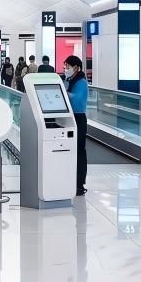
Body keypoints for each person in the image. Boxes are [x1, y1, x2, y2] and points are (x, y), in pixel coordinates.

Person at [64, 55, 89, 196]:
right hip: (68, 118)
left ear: (76, 67)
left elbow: (78, 101)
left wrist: (65, 94)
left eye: (68, 67)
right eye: (65, 66)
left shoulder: (81, 82)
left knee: (79, 150)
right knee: (70, 150)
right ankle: (69, 180)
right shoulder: (69, 80)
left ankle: (79, 184)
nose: (66, 69)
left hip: (78, 118)